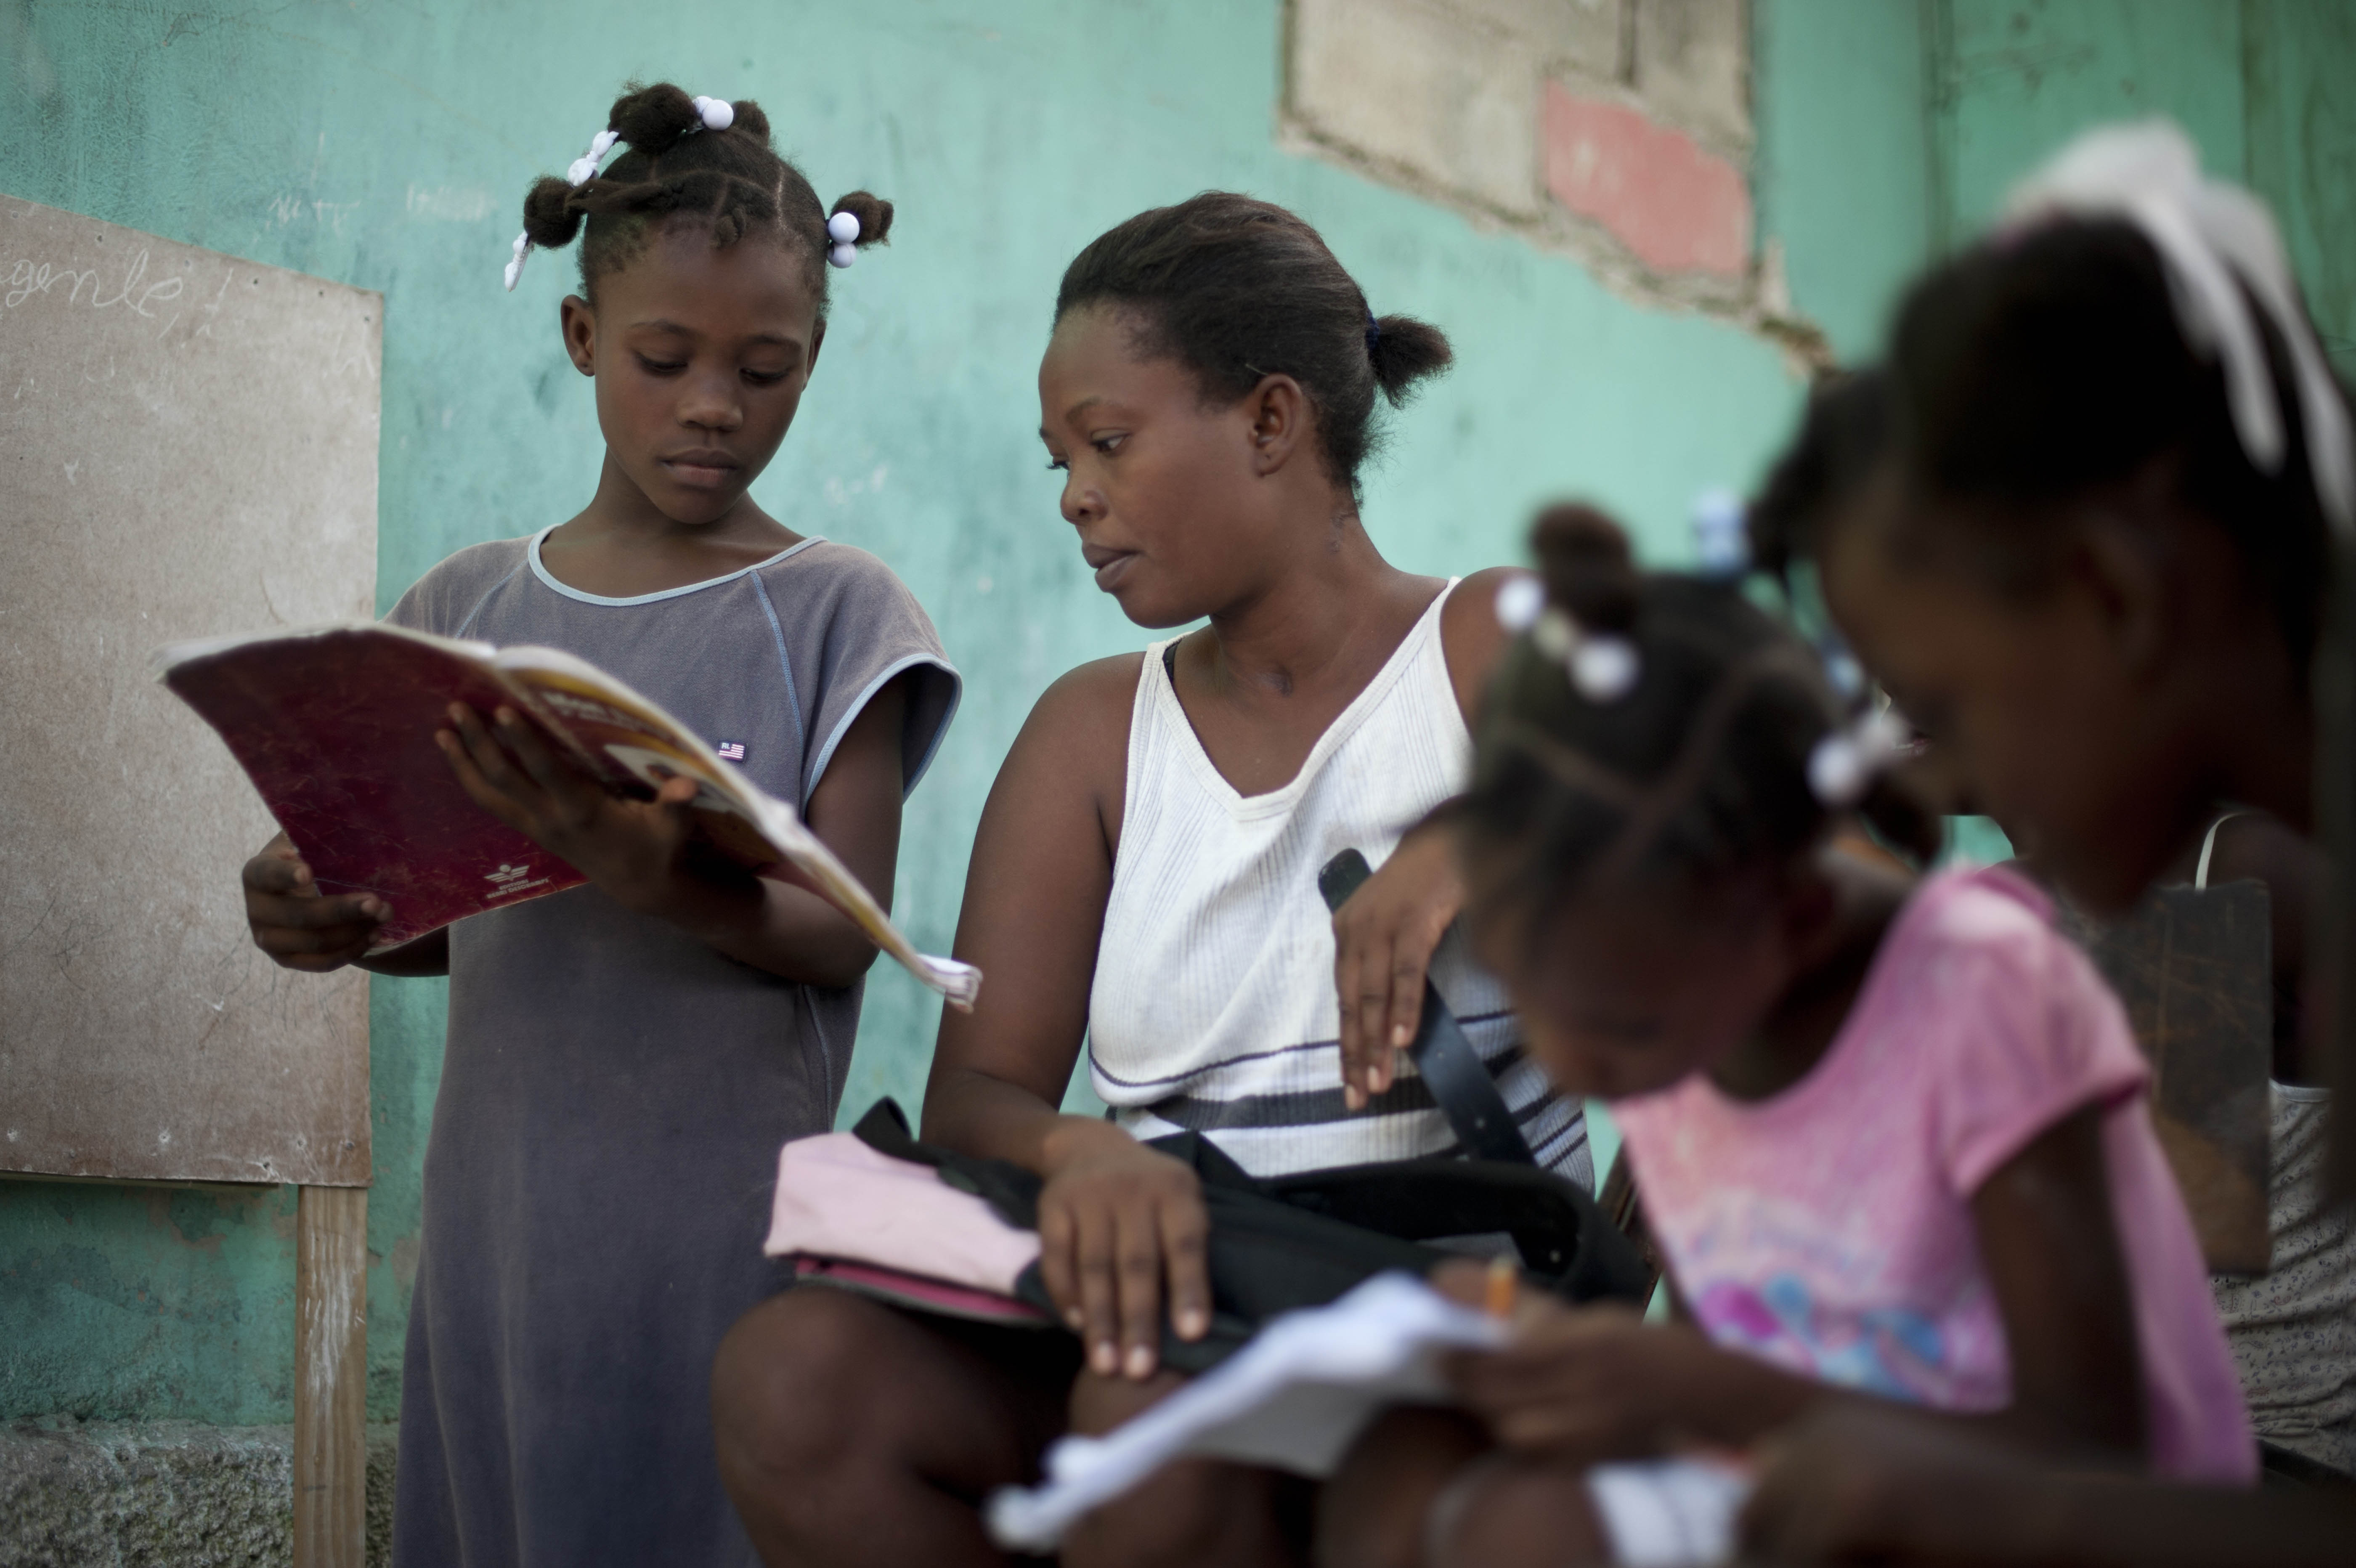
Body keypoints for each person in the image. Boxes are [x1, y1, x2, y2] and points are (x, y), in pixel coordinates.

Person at [710, 191, 1589, 1568]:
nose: (1074, 493)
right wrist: (1086, 1152)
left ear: (1271, 420)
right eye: (1061, 458)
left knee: (1148, 1416)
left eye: (1107, 442)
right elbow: (979, 1097)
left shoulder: (1482, 644)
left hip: (1447, 1323)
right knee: (795, 1377)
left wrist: (1470, 842)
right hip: (1194, 1295)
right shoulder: (1091, 735)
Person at [237, 83, 958, 1568]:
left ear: (813, 361)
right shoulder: (466, 612)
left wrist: (654, 871)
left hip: (717, 1235)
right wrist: (330, 913)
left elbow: (842, 937)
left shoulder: (839, 615)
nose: (714, 404)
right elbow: (451, 910)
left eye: (765, 369)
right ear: (582, 337)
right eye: (664, 358)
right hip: (496, 1232)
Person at [1318, 506, 2254, 1568]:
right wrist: (1567, 1371)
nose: (1584, 1075)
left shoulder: (1986, 999)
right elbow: (1727, 1369)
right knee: (1429, 1482)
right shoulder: (1679, 984)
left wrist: (1708, 1392)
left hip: (2054, 1526)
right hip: (1811, 1498)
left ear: (1795, 917)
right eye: (1537, 1006)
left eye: (1619, 1033)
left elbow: (2095, 1457)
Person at [1732, 121, 2356, 1564]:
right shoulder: (2055, 887)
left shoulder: (2224, 878)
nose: (1888, 721)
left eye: (1934, 686)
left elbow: (2176, 1263)